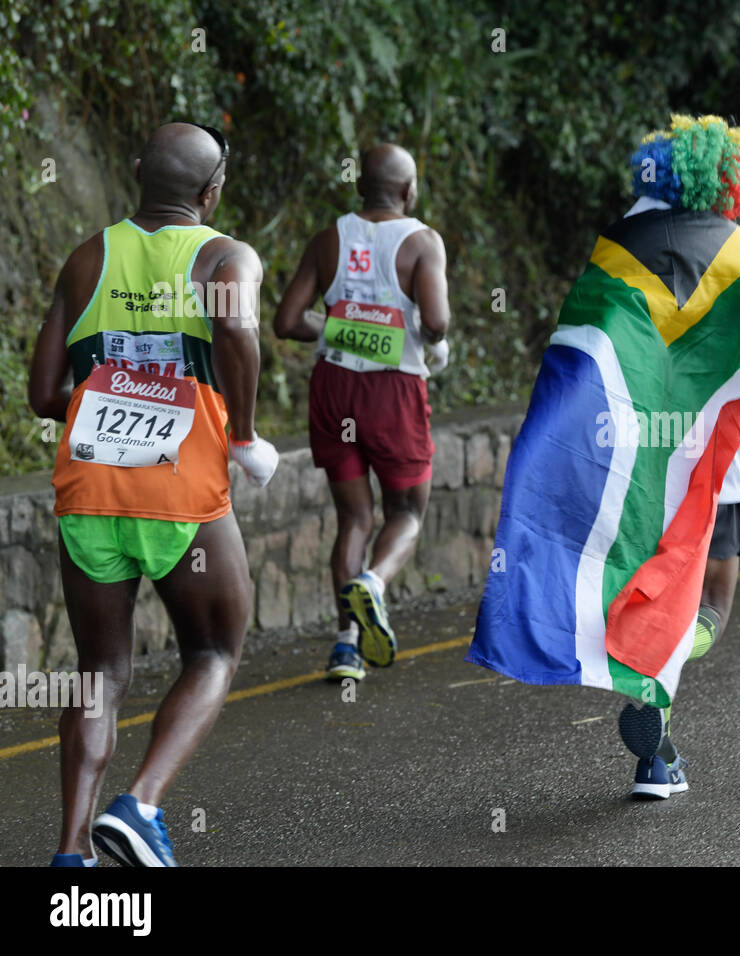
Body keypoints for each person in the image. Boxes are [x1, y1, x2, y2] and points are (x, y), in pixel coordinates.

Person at [467, 115, 740, 800]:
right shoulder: (737, 252)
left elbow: (589, 335)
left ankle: (657, 734)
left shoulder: (623, 239)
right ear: (730, 185)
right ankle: (657, 737)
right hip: (708, 472)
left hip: (631, 468)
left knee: (646, 584)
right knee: (708, 601)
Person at [28, 122, 278, 867]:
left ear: (140, 178)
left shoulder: (89, 257)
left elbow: (44, 394)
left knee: (100, 671)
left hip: (90, 490)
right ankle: (140, 804)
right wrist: (243, 435)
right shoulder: (227, 256)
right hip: (182, 497)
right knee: (212, 650)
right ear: (212, 190)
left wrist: (115, 387)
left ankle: (72, 854)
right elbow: (238, 334)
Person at [273, 144, 450, 681]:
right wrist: (416, 336)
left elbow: (286, 320)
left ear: (361, 187)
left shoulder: (330, 238)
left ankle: (346, 646)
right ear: (407, 190)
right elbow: (437, 322)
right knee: (408, 513)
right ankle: (373, 582)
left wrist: (341, 329)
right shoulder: (422, 242)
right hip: (393, 394)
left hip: (334, 387)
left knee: (354, 517)